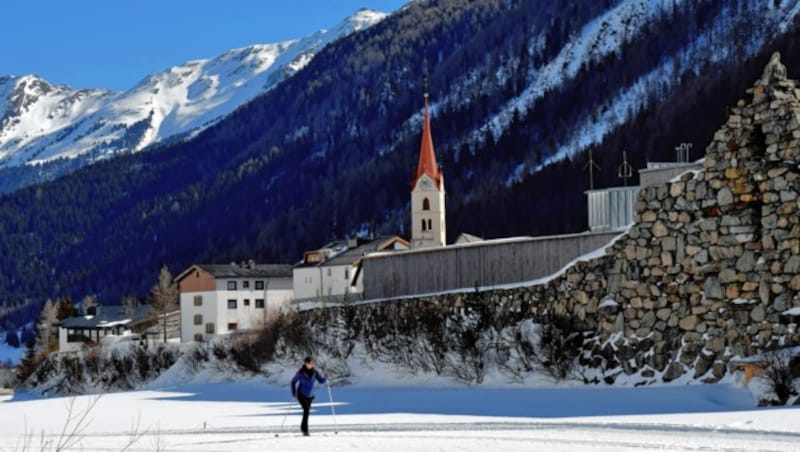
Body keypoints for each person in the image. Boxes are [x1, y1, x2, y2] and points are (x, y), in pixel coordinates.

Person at [290, 356, 327, 436]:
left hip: (310, 396)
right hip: (301, 394)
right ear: (306, 363)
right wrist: (293, 392)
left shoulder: (315, 372)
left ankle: (303, 428)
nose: (311, 365)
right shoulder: (301, 372)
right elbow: (293, 381)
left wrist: (325, 377)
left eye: (312, 363)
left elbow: (321, 381)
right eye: (309, 363)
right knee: (306, 410)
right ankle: (305, 431)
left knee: (306, 412)